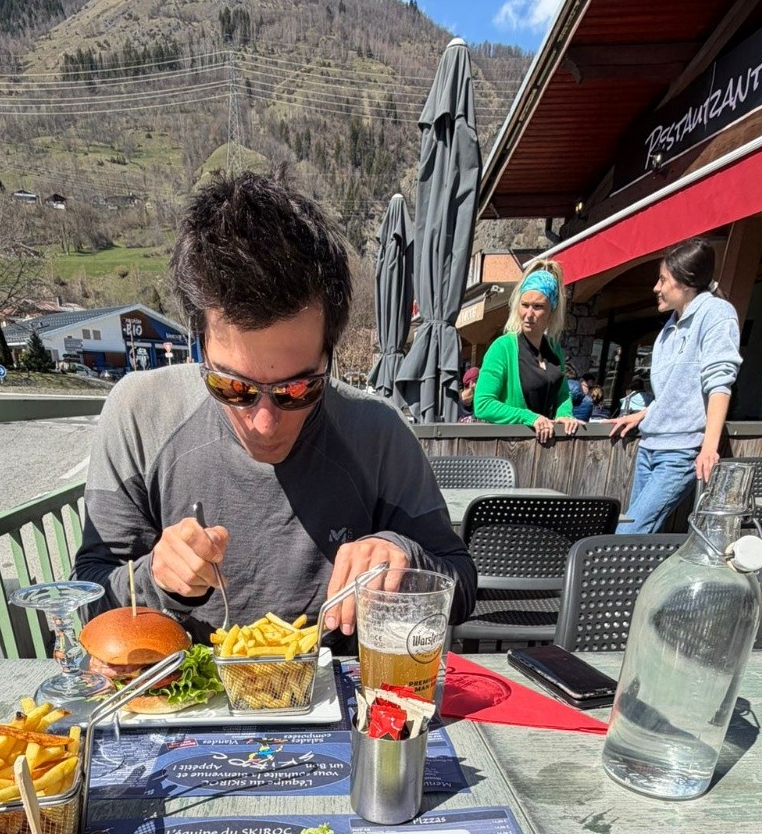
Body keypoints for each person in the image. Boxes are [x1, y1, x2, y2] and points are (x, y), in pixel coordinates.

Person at [73, 171, 476, 639]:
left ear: (331, 355)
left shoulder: (378, 432)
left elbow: (462, 585)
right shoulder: (140, 414)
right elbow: (88, 597)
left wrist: (402, 556)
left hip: (337, 695)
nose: (265, 423)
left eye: (298, 389)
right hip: (186, 699)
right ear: (198, 346)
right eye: (233, 387)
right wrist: (155, 581)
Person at [611, 240, 742, 534]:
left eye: (663, 280)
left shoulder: (716, 314)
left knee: (628, 535)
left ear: (687, 283)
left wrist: (709, 447)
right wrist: (645, 413)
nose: (656, 288)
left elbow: (719, 382)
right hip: (650, 446)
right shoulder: (668, 329)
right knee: (633, 531)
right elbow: (676, 390)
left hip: (681, 450)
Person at [472, 262, 583, 445]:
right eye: (525, 305)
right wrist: (529, 417)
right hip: (507, 447)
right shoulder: (503, 347)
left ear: (551, 310)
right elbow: (483, 404)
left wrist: (564, 414)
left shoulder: (554, 349)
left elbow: (562, 393)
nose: (528, 314)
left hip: (545, 449)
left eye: (538, 307)